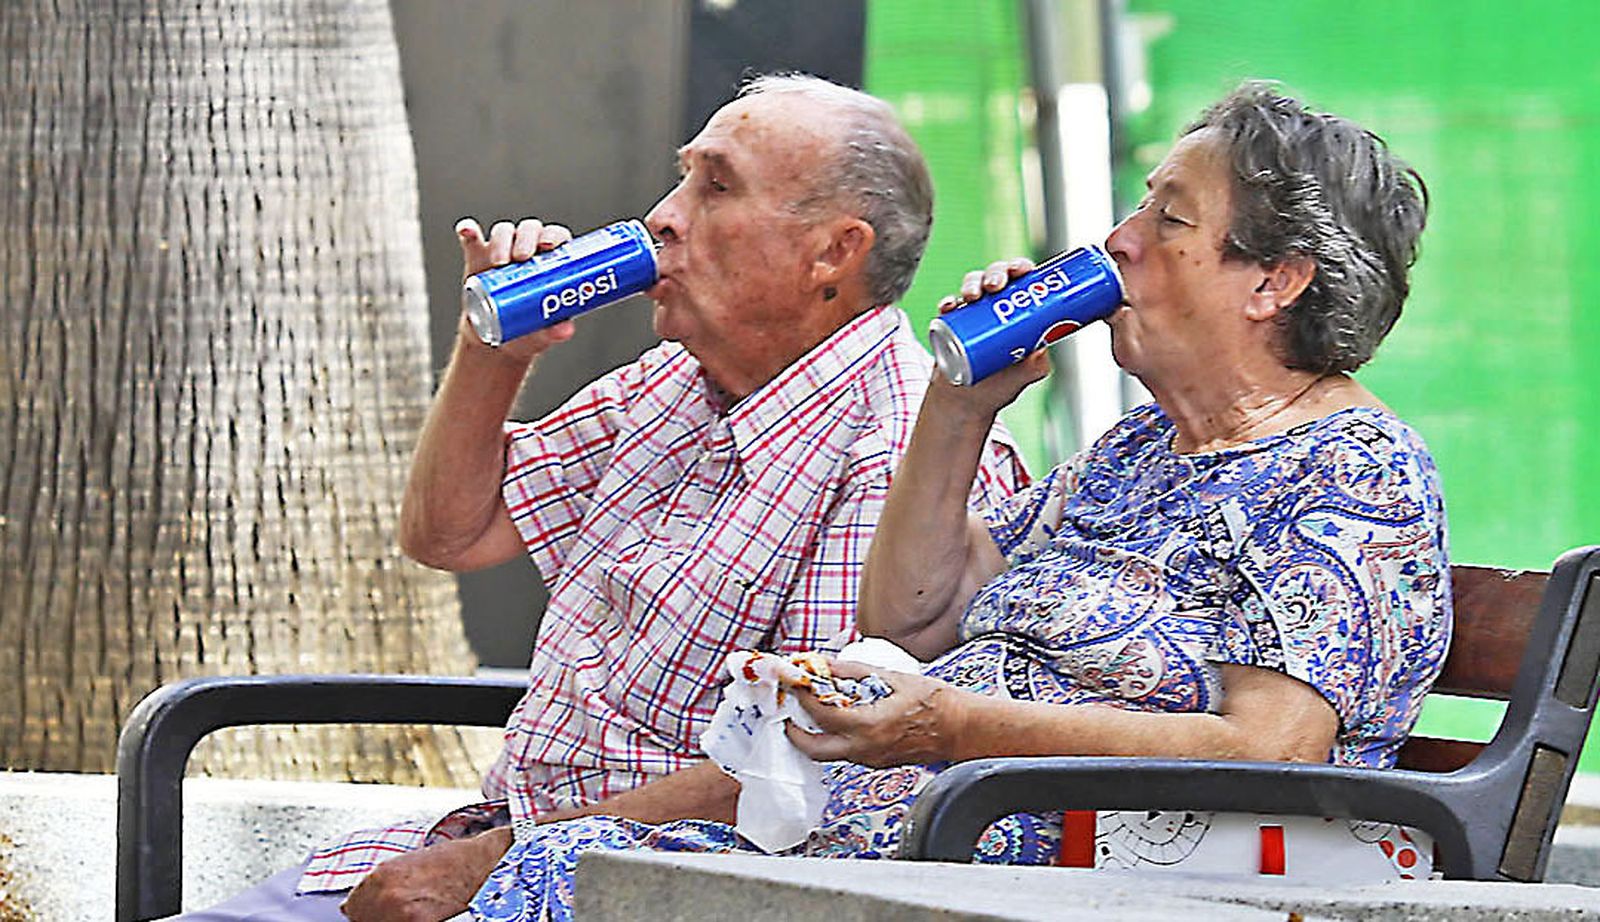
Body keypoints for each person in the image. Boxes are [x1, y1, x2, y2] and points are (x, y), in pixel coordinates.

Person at [380, 80, 1448, 919]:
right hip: (919, 839)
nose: (1120, 239)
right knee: (566, 871)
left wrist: (950, 724)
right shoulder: (1138, 451)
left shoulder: (1351, 470)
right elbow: (913, 618)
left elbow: (1272, 749)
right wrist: (959, 405)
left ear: (1273, 281)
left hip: (1055, 865)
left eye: (1168, 219)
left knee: (561, 880)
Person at [174, 75, 1026, 921]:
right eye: (683, 178)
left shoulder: (898, 449)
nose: (663, 216)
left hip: (647, 881)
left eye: (716, 187)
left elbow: (806, 768)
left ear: (833, 253)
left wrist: (492, 863)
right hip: (496, 838)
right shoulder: (670, 382)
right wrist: (493, 352)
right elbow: (449, 534)